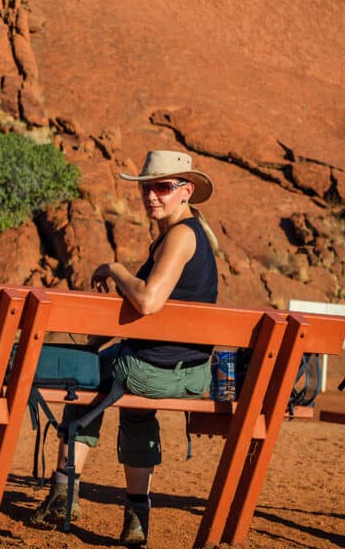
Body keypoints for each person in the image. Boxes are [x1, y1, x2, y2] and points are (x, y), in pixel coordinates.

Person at [30, 150, 219, 546]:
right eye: (148, 188)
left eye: (163, 188)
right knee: (135, 410)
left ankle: (64, 491)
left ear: (186, 192)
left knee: (82, 383)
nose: (152, 196)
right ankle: (136, 518)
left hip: (152, 371)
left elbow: (148, 302)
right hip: (190, 374)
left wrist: (116, 270)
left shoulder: (182, 236)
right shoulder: (189, 236)